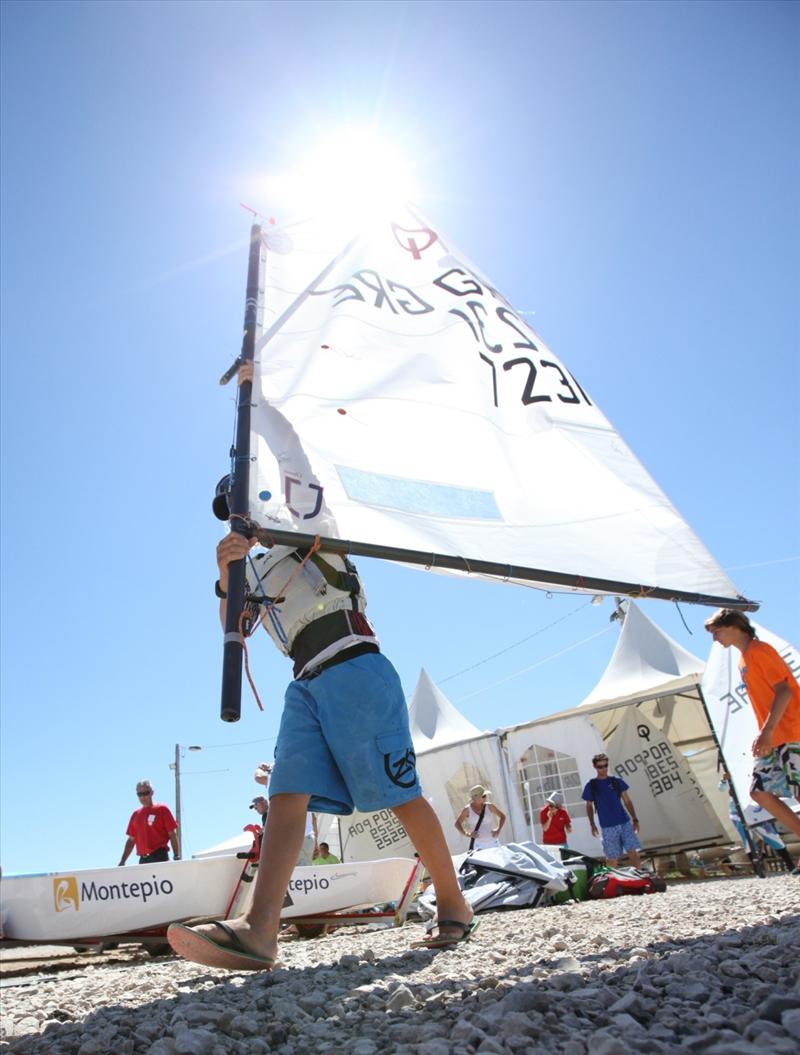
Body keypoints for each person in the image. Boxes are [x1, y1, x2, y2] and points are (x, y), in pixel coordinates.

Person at [167, 387, 475, 969]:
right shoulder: (249, 563)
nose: (236, 514)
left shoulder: (309, 519)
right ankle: (261, 930)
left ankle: (454, 904)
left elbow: (292, 455)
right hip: (304, 684)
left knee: (399, 795)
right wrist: (223, 574)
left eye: (238, 499)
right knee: (285, 795)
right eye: (226, 506)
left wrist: (252, 400)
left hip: (356, 669)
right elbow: (236, 631)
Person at [705, 609, 800, 872]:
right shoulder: (743, 660)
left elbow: (784, 692)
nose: (715, 639)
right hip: (773, 736)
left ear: (735, 626)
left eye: (717, 632)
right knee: (758, 792)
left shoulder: (760, 651)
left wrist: (767, 731)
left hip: (791, 731)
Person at [582, 754, 641, 868]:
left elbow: (627, 801)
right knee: (611, 858)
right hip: (607, 826)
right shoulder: (591, 785)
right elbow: (589, 806)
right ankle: (612, 882)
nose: (603, 768)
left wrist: (635, 819)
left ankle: (642, 879)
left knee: (633, 852)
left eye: (605, 765)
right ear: (594, 766)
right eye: (600, 766)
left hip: (624, 822)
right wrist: (592, 824)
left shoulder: (616, 781)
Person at [119, 781, 179, 865]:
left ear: (152, 792)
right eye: (139, 794)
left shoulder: (162, 809)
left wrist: (176, 855)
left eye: (145, 793)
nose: (143, 797)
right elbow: (131, 840)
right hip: (143, 860)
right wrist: (122, 861)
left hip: (159, 856)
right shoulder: (135, 815)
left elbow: (172, 834)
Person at [455, 785, 506, 851]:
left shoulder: (489, 806)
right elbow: (457, 823)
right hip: (478, 845)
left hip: (493, 842)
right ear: (476, 798)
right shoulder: (467, 809)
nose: (486, 797)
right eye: (484, 796)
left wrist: (498, 829)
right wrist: (467, 834)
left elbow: (502, 816)